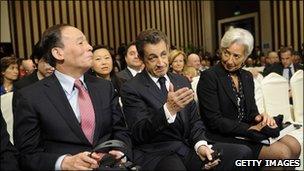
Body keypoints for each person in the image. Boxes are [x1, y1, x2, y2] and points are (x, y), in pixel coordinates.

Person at [121, 29, 253, 171]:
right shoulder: (131, 88)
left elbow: (195, 121)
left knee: (242, 153)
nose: (161, 63)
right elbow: (139, 133)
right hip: (157, 153)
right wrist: (168, 110)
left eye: (164, 55)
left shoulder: (181, 80)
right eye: (153, 58)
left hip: (187, 148)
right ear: (141, 58)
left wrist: (201, 145)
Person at [13, 24, 132, 170]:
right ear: (58, 53)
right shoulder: (30, 97)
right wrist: (64, 162)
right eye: (81, 42)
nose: (89, 47)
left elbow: (121, 131)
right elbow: (27, 155)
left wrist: (120, 152)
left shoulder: (104, 88)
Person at [197, 28, 301, 167]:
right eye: (226, 53)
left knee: (295, 146)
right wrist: (250, 129)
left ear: (245, 57)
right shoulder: (209, 77)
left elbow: (251, 111)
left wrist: (261, 118)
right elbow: (214, 121)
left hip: (246, 131)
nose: (229, 60)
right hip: (222, 135)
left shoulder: (246, 77)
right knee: (282, 154)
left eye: (236, 56)